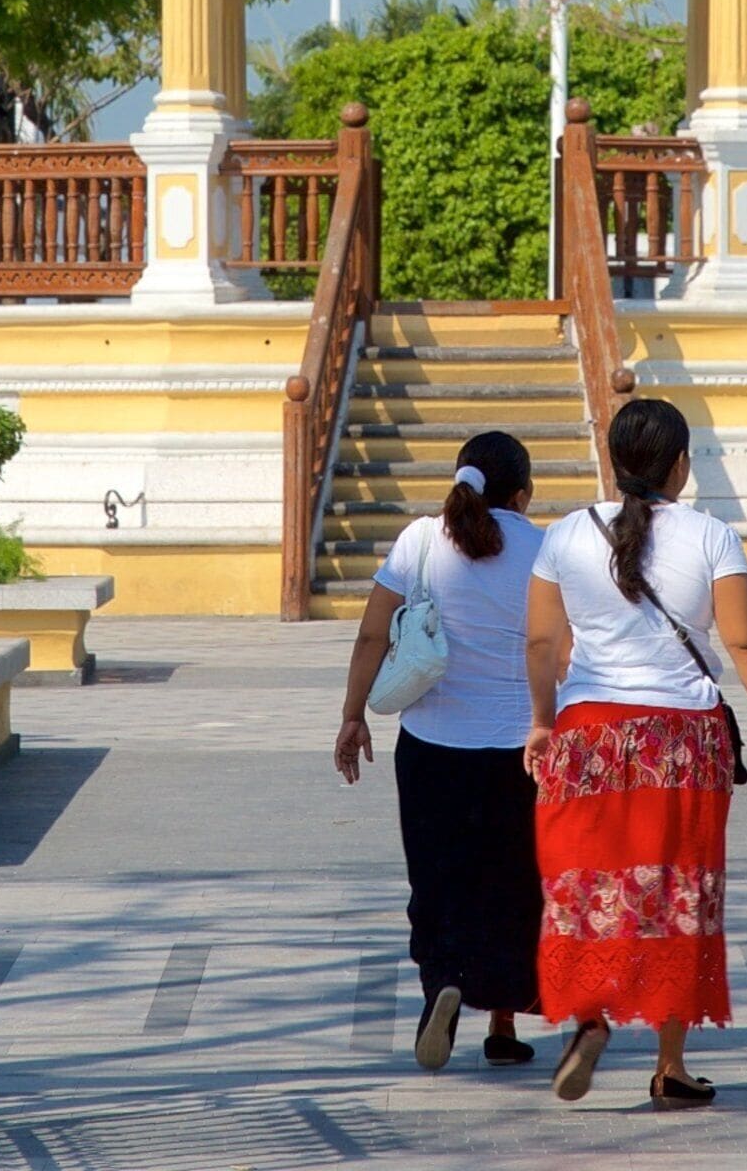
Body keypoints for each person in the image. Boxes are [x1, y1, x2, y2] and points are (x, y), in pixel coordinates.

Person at [521, 397, 747, 1108]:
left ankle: (588, 1017)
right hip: (682, 740)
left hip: (587, 734)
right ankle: (670, 1067)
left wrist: (541, 721)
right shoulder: (712, 536)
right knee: (678, 891)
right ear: (681, 463)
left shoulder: (563, 535)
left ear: (614, 461)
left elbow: (539, 644)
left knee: (586, 883)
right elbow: (741, 642)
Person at [333, 429, 545, 1071]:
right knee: (512, 884)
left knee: (439, 879)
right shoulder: (544, 547)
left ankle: (441, 987)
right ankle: (504, 1025)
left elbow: (374, 633)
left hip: (431, 745)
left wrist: (352, 716)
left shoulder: (421, 539)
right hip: (519, 752)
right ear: (524, 493)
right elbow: (558, 646)